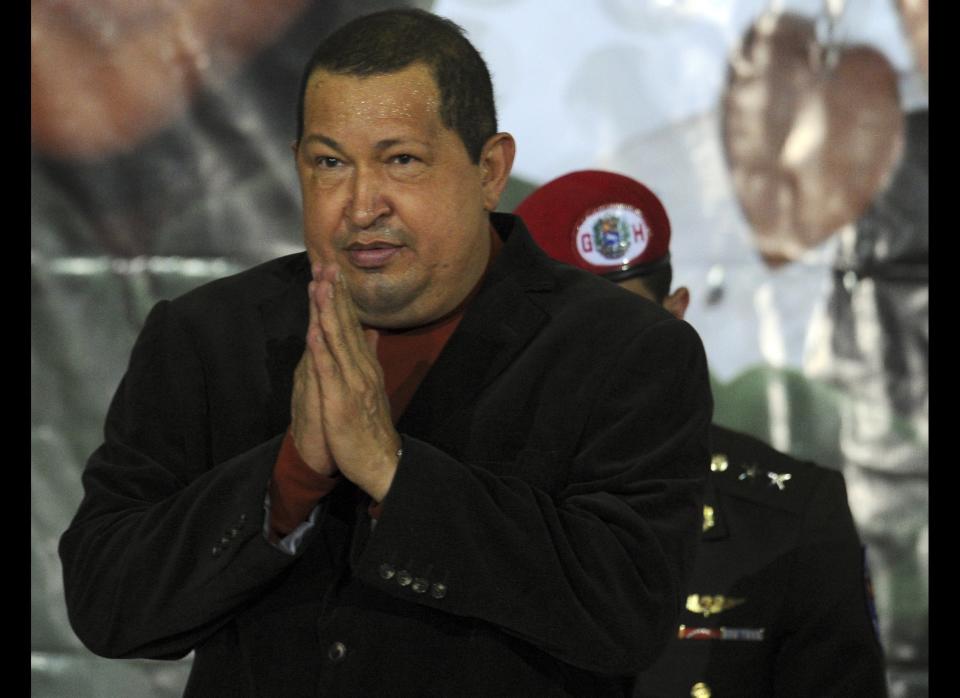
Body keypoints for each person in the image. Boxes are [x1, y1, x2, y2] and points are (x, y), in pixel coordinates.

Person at [58, 11, 714, 697]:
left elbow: (625, 615)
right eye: (330, 163)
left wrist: (392, 471)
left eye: (401, 160)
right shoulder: (207, 336)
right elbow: (109, 605)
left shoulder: (625, 353)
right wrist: (289, 478)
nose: (362, 204)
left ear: (488, 170)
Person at [515, 169, 890, 697]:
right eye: (564, 327)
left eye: (623, 324)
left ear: (675, 321)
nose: (595, 355)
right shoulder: (450, 499)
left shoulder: (795, 516)